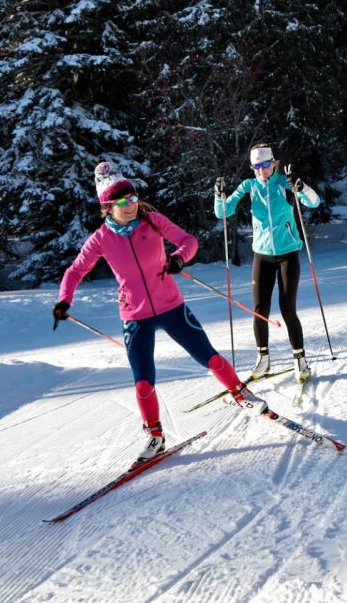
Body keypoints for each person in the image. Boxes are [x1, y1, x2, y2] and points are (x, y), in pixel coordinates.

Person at [53, 162, 266, 465]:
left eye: (133, 197)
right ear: (107, 206)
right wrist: (64, 301)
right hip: (134, 316)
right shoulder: (101, 239)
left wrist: (179, 258)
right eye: (123, 201)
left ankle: (241, 394)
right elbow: (74, 272)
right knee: (143, 381)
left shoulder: (152, 221)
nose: (131, 205)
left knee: (210, 357)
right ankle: (155, 435)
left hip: (171, 306)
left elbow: (189, 241)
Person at [214, 143, 322, 382]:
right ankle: (263, 358)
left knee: (287, 307)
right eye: (256, 166)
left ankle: (300, 359)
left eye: (265, 164)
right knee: (260, 310)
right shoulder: (249, 185)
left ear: (274, 163)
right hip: (262, 255)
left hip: (287, 254)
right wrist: (218, 195)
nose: (261, 170)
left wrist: (300, 186)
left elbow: (314, 202)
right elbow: (223, 212)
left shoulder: (284, 183)